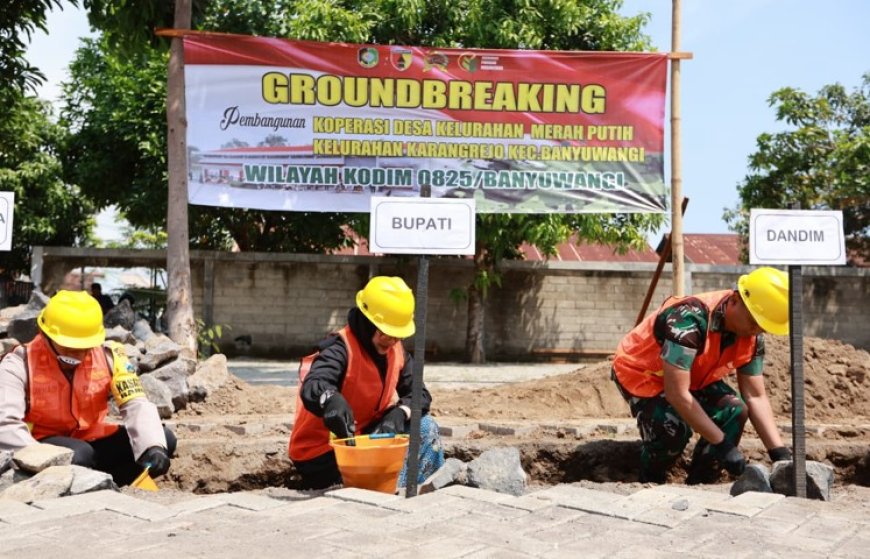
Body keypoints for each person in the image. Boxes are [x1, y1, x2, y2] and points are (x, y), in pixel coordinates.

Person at [611, 267, 793, 484]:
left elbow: (755, 396)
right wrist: (723, 445)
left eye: (762, 328)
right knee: (673, 430)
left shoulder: (751, 336)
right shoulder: (688, 319)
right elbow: (677, 394)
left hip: (689, 376)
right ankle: (650, 477)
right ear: (734, 300)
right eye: (754, 322)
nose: (755, 331)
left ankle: (701, 483)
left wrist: (779, 454)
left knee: (735, 411)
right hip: (642, 373)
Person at [0, 290, 175, 485]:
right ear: (46, 335)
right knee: (80, 454)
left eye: (84, 348)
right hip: (42, 443)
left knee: (163, 439)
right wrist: (36, 459)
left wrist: (153, 446)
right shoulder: (19, 364)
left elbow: (136, 404)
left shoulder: (110, 357)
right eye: (69, 347)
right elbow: (5, 424)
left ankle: (113, 484)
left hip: (91, 438)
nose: (77, 355)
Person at [289, 276, 445, 490]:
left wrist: (401, 412)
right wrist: (330, 400)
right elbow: (315, 383)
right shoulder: (340, 348)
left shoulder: (396, 351)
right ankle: (388, 494)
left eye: (396, 336)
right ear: (367, 321)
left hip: (366, 440)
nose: (390, 342)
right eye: (385, 334)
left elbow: (420, 394)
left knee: (426, 427)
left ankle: (417, 493)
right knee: (383, 474)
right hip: (323, 453)